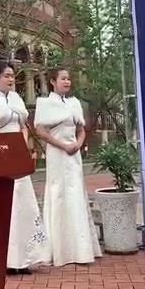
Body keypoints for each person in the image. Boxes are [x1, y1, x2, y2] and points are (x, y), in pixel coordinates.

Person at [0, 60, 51, 274]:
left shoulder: (16, 99)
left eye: (12, 76)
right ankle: (6, 260)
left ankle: (26, 258)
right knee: (6, 206)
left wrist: (22, 145)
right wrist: (0, 147)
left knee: (24, 206)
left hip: (17, 157)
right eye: (6, 76)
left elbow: (22, 126)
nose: (10, 79)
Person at [33, 67, 102, 266]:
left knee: (75, 195)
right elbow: (41, 131)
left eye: (68, 79)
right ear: (53, 82)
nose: (67, 82)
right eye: (63, 79)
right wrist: (62, 145)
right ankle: (59, 250)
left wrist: (78, 144)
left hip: (73, 155)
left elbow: (81, 129)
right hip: (57, 154)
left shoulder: (74, 103)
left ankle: (81, 249)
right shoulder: (45, 103)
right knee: (59, 194)